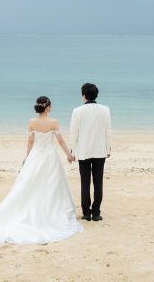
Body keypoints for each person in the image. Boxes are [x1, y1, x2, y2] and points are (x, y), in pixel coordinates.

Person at [0, 96, 83, 244]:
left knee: (31, 183)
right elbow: (60, 141)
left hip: (36, 154)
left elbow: (30, 141)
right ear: (48, 107)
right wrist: (69, 155)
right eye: (51, 105)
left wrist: (27, 158)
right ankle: (52, 211)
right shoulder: (53, 122)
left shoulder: (32, 122)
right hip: (50, 155)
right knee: (52, 183)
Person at [68, 83, 112, 222]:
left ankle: (86, 213)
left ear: (83, 95)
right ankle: (96, 213)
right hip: (100, 151)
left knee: (85, 183)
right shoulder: (105, 110)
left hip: (83, 152)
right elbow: (108, 131)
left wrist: (71, 152)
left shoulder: (77, 111)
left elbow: (73, 133)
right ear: (96, 95)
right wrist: (108, 149)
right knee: (98, 183)